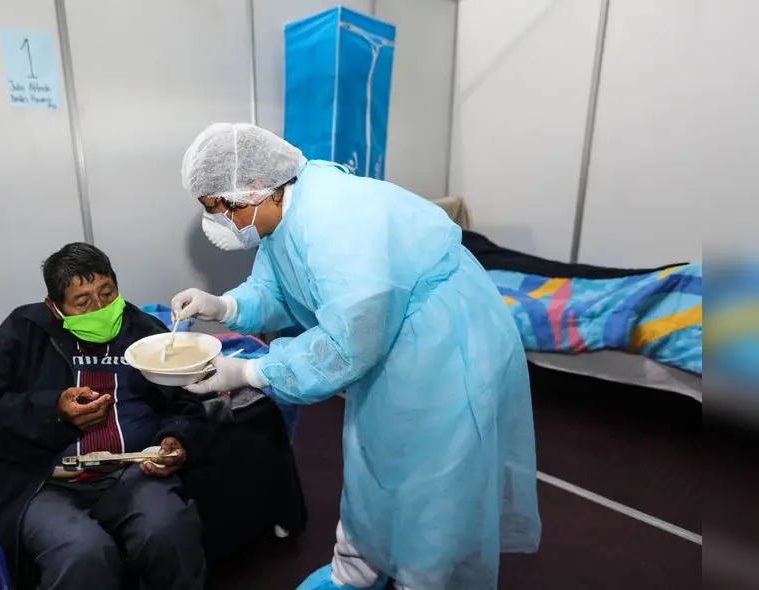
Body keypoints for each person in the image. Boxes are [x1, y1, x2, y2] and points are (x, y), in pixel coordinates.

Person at [173, 123, 541, 590]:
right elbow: (281, 285)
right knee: (375, 454)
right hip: (392, 340)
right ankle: (358, 566)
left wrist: (249, 370)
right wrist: (225, 306)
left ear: (253, 190)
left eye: (217, 209)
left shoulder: (336, 221)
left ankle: (422, 578)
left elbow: (346, 343)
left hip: (446, 347)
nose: (216, 222)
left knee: (432, 480)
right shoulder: (286, 206)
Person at [0, 243, 209, 590]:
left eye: (107, 293)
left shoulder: (145, 332)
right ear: (55, 307)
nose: (100, 307)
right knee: (82, 553)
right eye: (82, 302)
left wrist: (177, 439)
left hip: (132, 472)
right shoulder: (24, 331)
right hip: (43, 480)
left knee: (169, 529)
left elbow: (187, 404)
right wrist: (53, 412)